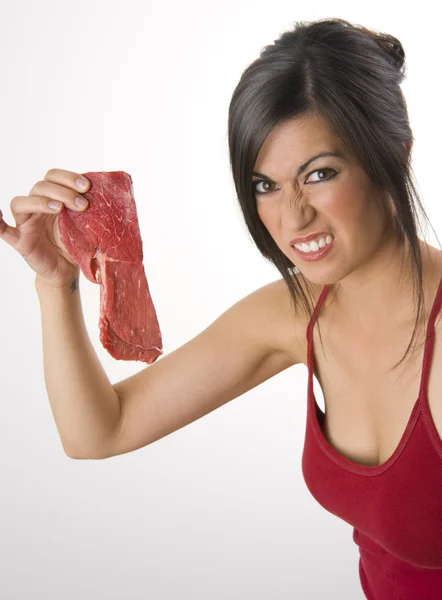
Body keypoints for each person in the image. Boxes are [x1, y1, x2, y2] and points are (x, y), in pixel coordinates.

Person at [1, 16, 442, 599]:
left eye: (319, 174)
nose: (293, 217)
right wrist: (56, 286)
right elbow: (99, 430)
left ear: (396, 156)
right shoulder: (295, 315)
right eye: (266, 185)